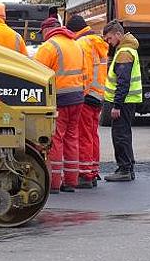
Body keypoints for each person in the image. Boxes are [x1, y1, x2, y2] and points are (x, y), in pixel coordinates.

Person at [34, 17, 85, 193]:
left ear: (48, 30)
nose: (42, 37)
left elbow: (35, 74)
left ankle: (54, 183)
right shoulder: (76, 44)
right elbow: (84, 72)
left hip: (59, 99)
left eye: (43, 33)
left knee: (56, 138)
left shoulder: (49, 46)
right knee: (71, 138)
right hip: (77, 98)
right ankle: (71, 181)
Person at [66, 15, 108, 189]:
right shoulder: (97, 42)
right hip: (98, 94)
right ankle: (93, 169)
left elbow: (86, 72)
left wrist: (81, 93)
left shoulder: (82, 44)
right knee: (92, 134)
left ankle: (84, 174)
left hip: (87, 95)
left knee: (83, 136)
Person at [102, 21, 142, 182]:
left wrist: (117, 105)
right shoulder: (127, 49)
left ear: (118, 35)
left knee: (120, 135)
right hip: (128, 100)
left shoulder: (124, 53)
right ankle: (127, 166)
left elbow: (123, 81)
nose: (108, 42)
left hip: (123, 102)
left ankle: (124, 169)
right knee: (124, 133)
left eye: (109, 38)